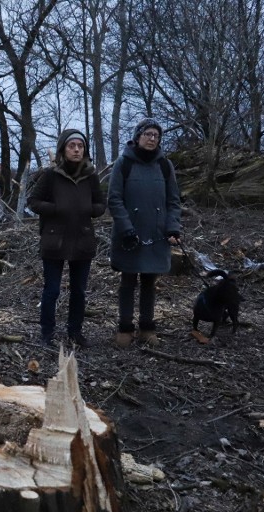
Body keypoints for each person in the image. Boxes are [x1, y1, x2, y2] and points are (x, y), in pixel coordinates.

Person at [107, 118, 182, 347]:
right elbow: (114, 198)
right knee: (128, 281)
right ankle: (125, 328)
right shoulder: (124, 163)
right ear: (138, 136)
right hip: (129, 234)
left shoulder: (164, 165)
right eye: (148, 134)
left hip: (156, 234)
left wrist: (173, 227)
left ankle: (147, 328)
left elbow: (174, 200)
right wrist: (126, 228)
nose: (152, 139)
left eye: (156, 136)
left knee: (150, 282)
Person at [28, 129, 106, 347]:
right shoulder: (51, 175)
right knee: (51, 290)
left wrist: (89, 209)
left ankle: (75, 332)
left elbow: (101, 204)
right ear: (63, 149)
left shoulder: (90, 176)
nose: (76, 150)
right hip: (55, 240)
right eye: (72, 146)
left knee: (79, 291)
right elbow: (33, 202)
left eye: (80, 146)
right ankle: (46, 333)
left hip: (82, 239)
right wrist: (56, 208)